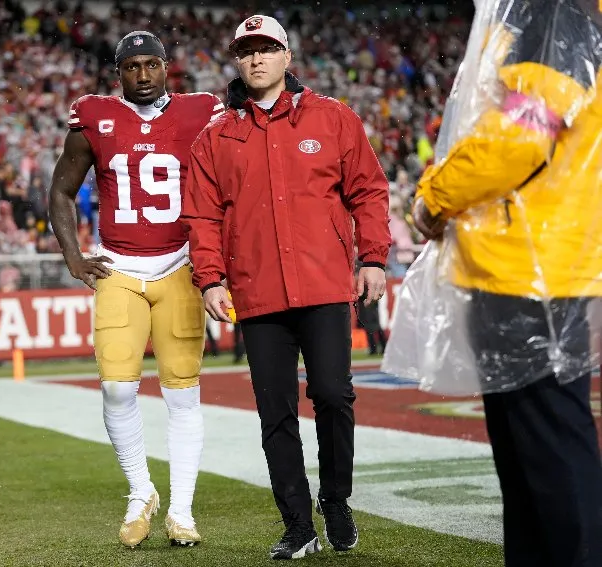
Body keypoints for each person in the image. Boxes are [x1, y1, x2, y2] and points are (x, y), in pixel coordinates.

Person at [181, 15, 390, 560]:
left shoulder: (333, 118)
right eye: (247, 50)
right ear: (237, 61)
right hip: (257, 294)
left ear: (287, 57)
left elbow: (368, 190)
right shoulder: (216, 136)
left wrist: (372, 258)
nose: (257, 58)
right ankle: (298, 525)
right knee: (274, 412)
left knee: (332, 396)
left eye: (267, 48)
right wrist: (209, 279)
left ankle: (336, 500)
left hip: (323, 287)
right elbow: (201, 217)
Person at [411, 1, 602, 565]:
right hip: (539, 258)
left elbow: (519, 138)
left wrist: (434, 196)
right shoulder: (568, 14)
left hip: (527, 266)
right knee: (531, 457)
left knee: (547, 454)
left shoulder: (552, 14)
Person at [48, 31, 224, 548]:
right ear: (117, 72)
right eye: (131, 67)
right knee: (117, 386)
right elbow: (61, 190)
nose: (142, 75)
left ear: (166, 67)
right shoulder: (94, 117)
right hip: (119, 266)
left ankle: (183, 510)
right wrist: (75, 258)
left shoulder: (203, 113)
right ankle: (141, 491)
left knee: (182, 393)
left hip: (180, 267)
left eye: (151, 64)